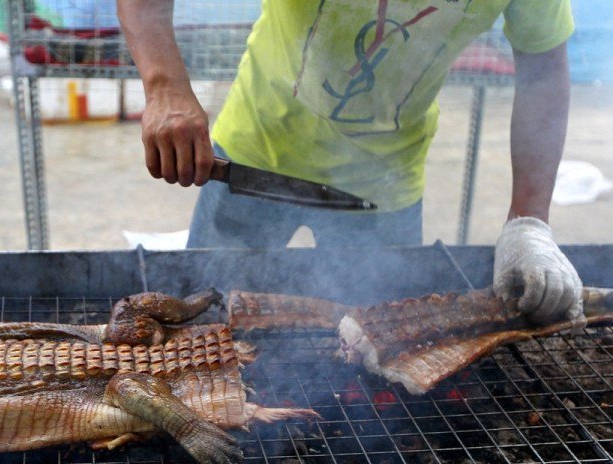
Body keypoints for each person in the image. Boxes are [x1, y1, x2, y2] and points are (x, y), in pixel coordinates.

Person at [118, 1, 583, 325]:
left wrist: (529, 222)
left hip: (383, 189)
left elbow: (543, 67)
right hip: (254, 157)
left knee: (375, 349)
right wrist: (165, 87)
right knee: (205, 326)